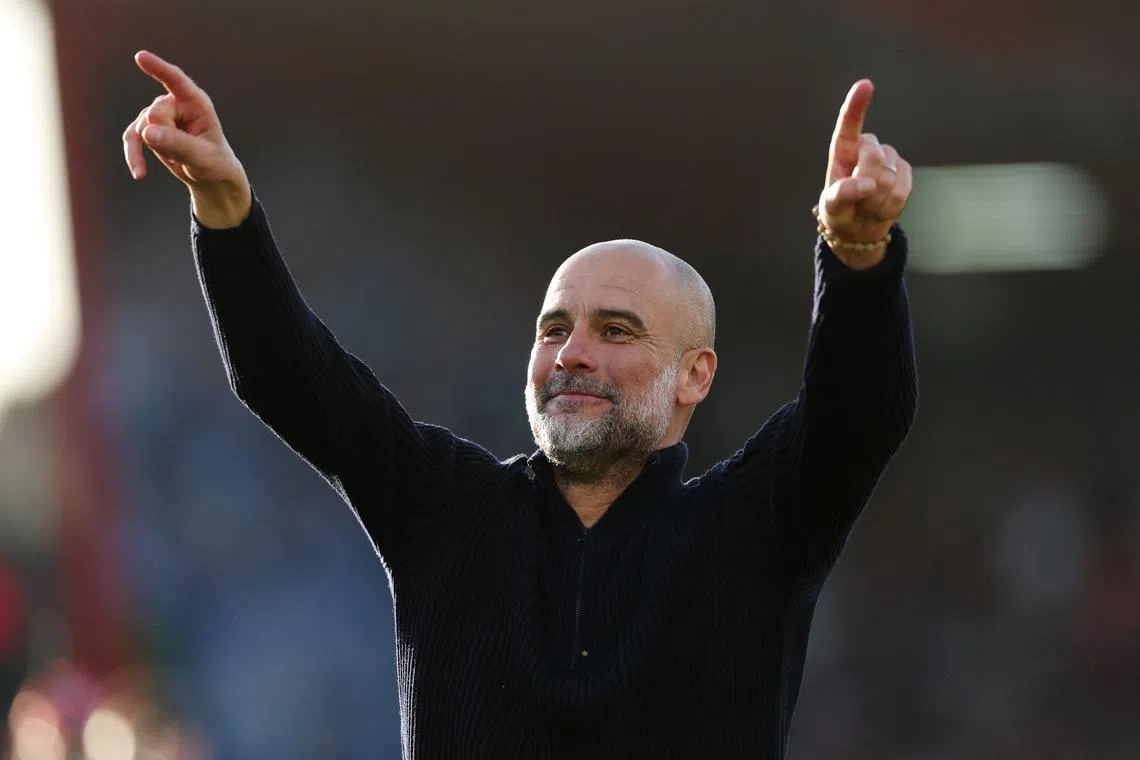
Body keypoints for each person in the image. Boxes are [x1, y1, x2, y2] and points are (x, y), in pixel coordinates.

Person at [122, 50, 918, 759]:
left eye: (616, 330)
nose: (572, 353)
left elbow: (858, 415)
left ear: (694, 376)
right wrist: (225, 212)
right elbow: (289, 377)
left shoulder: (752, 528)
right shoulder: (445, 508)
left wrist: (856, 259)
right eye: (554, 328)